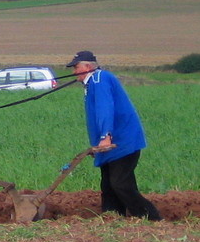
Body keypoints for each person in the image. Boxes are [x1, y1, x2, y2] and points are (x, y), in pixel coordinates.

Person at [67, 50, 162, 221]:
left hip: (122, 143)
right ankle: (112, 218)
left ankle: (151, 218)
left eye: (76, 67)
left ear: (87, 67)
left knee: (120, 183)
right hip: (113, 144)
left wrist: (106, 136)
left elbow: (105, 109)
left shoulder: (100, 79)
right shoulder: (93, 83)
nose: (74, 72)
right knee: (109, 185)